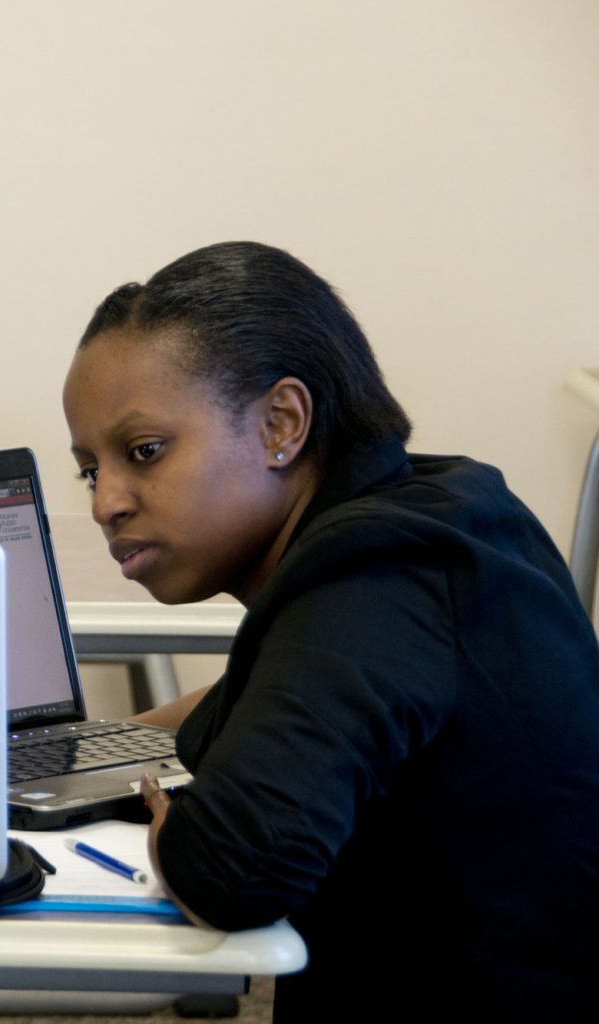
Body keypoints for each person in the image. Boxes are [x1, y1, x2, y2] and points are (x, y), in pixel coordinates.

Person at [61, 241, 599, 1019]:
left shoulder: (374, 578)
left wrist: (158, 811)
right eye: (90, 468)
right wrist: (96, 747)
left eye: (145, 452)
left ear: (282, 423)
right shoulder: (443, 506)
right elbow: (277, 687)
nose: (106, 500)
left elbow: (232, 869)